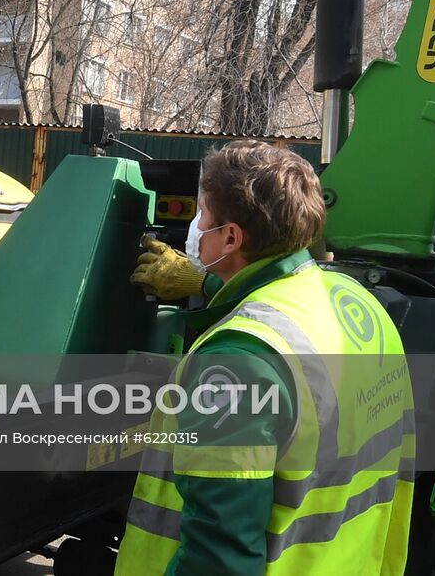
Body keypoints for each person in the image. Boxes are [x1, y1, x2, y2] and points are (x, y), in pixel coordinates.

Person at [117, 140, 414, 575]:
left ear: (232, 237)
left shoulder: (236, 366)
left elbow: (221, 557)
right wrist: (205, 283)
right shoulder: (354, 303)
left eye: (203, 215)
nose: (196, 225)